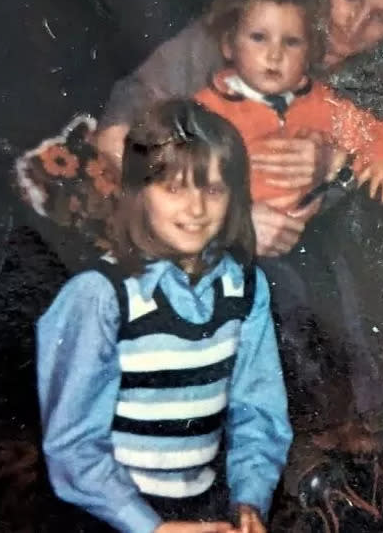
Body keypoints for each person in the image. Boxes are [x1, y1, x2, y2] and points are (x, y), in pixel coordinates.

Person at [92, 0, 383, 529]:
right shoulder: (235, 36)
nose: (356, 24)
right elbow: (119, 137)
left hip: (314, 235)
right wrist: (233, 217)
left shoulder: (379, 73)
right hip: (218, 218)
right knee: (281, 297)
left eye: (381, 18)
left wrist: (338, 162)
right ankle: (310, 442)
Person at [36, 99, 292, 533]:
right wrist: (149, 527)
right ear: (138, 194)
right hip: (111, 512)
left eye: (212, 190)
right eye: (173, 188)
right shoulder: (100, 294)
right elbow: (73, 444)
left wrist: (249, 499)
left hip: (202, 505)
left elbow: (258, 410)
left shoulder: (246, 288)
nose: (195, 210)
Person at [194, 0, 383, 210]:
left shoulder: (322, 102)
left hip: (307, 233)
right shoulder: (207, 107)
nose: (275, 55)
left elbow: (370, 131)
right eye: (259, 38)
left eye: (291, 42)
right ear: (228, 46)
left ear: (309, 53)